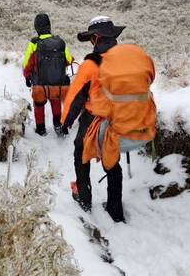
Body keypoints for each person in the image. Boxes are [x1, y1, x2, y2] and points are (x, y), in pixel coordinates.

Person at [61, 16, 156, 223]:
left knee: (81, 152)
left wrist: (66, 121)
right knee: (112, 162)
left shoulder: (90, 65)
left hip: (95, 117)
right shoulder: (131, 62)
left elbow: (76, 98)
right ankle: (115, 210)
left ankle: (84, 198)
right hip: (122, 118)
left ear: (95, 38)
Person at [22, 13, 73, 137]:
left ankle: (41, 130)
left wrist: (27, 76)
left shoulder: (34, 43)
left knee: (39, 105)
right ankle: (58, 126)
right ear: (49, 26)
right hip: (57, 84)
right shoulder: (60, 42)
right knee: (55, 102)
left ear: (36, 27)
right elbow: (69, 60)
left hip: (39, 85)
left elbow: (26, 64)